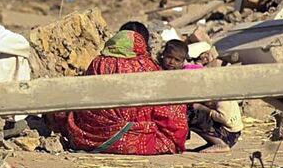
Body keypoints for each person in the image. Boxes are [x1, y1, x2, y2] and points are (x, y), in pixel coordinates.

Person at [51, 22, 189, 155]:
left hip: (88, 136)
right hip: (133, 135)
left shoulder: (99, 61)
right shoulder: (145, 65)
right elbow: (162, 109)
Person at [159, 41, 243, 152]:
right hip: (219, 127)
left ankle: (220, 143)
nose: (171, 62)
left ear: (183, 61)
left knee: (189, 113)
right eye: (169, 57)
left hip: (228, 132)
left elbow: (225, 119)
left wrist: (201, 107)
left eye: (177, 60)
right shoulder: (163, 71)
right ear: (163, 55)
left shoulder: (190, 75)